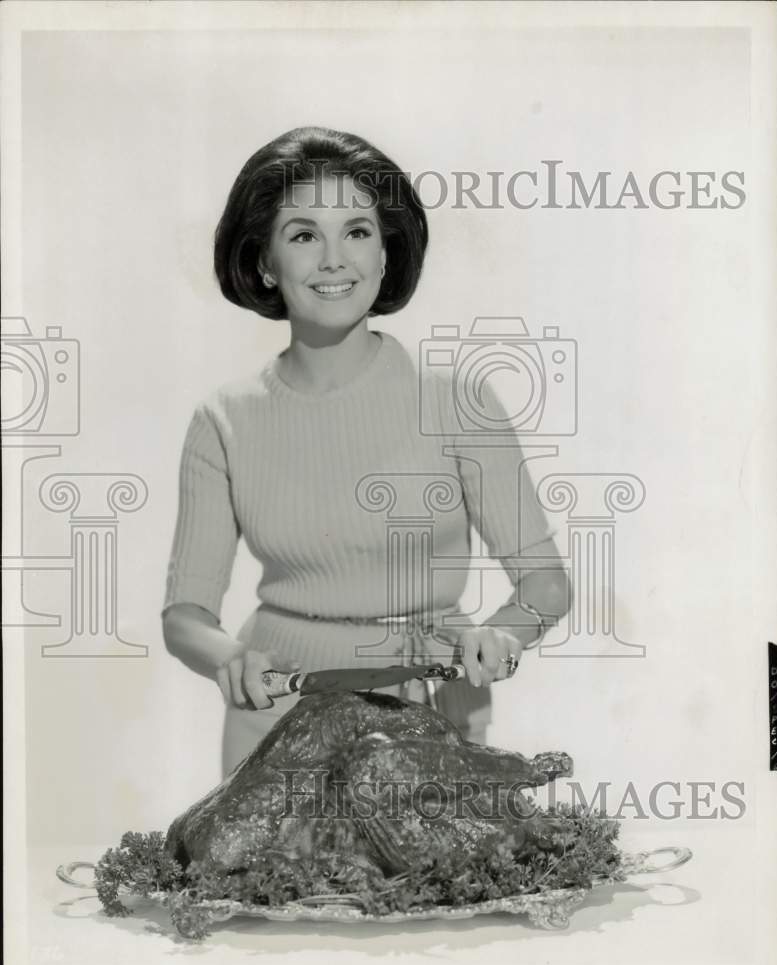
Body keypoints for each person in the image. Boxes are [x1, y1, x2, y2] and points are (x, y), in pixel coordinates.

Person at [161, 126, 571, 777]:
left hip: (434, 710)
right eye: (302, 235)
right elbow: (184, 616)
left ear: (386, 252)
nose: (334, 260)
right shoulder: (223, 420)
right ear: (265, 262)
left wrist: (500, 634)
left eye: (356, 231)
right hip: (276, 721)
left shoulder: (457, 400)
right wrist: (226, 658)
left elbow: (546, 582)